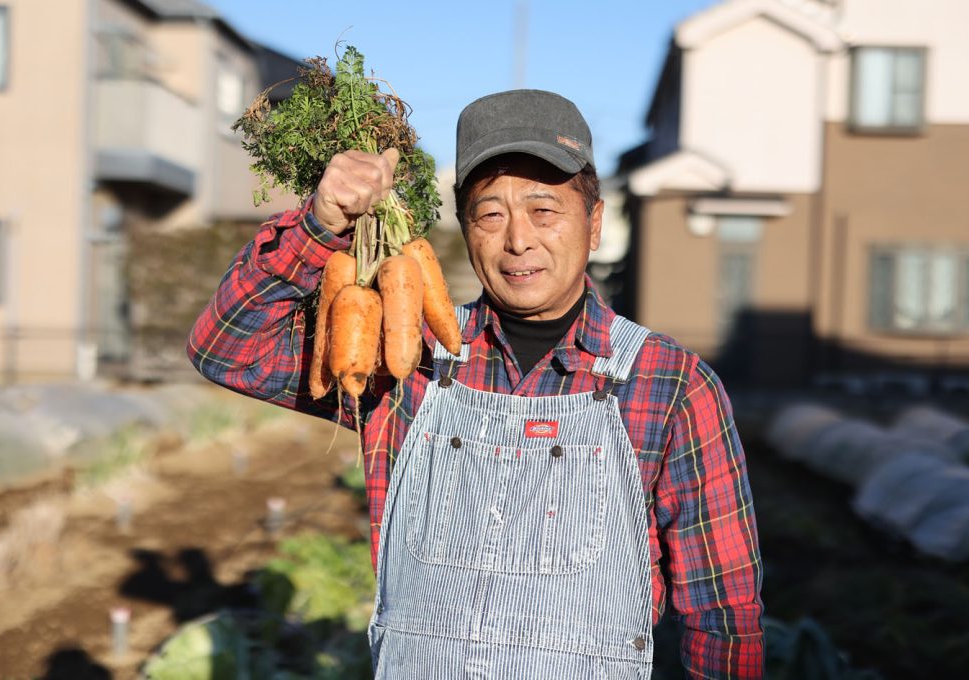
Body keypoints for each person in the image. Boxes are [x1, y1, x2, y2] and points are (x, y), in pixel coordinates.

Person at [188, 89, 763, 679]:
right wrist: (322, 226)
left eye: (545, 211)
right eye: (490, 214)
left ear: (593, 225)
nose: (518, 240)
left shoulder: (670, 386)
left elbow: (722, 613)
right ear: (465, 228)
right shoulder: (404, 357)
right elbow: (228, 351)